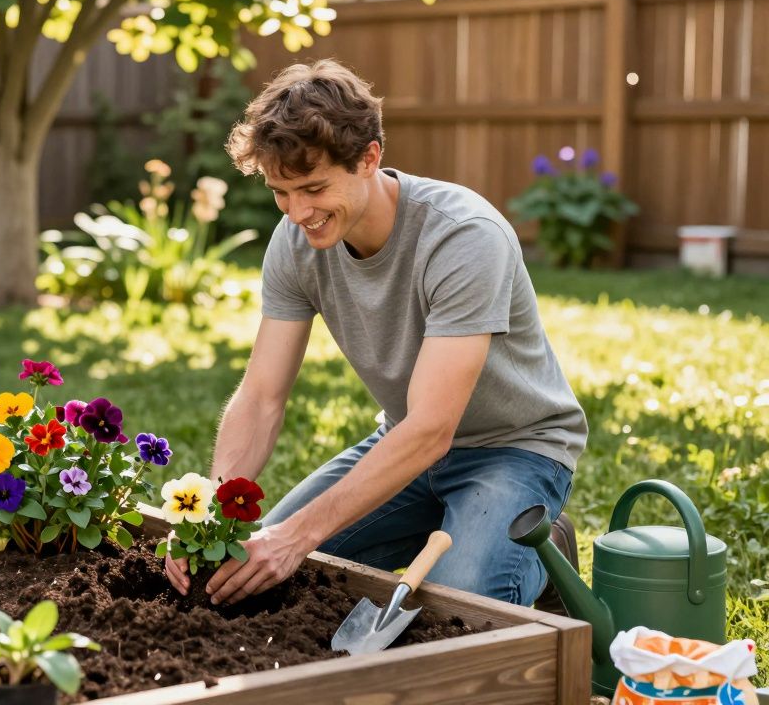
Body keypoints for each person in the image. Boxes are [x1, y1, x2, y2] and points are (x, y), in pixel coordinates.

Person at [162, 59, 585, 609]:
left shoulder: (463, 237)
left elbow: (434, 428)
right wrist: (214, 509)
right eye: (280, 193)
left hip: (514, 449)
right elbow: (262, 395)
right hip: (402, 444)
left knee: (461, 608)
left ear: (369, 158)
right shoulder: (295, 242)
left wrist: (298, 535)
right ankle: (470, 528)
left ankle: (544, 549)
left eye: (313, 188)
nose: (297, 213)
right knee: (252, 573)